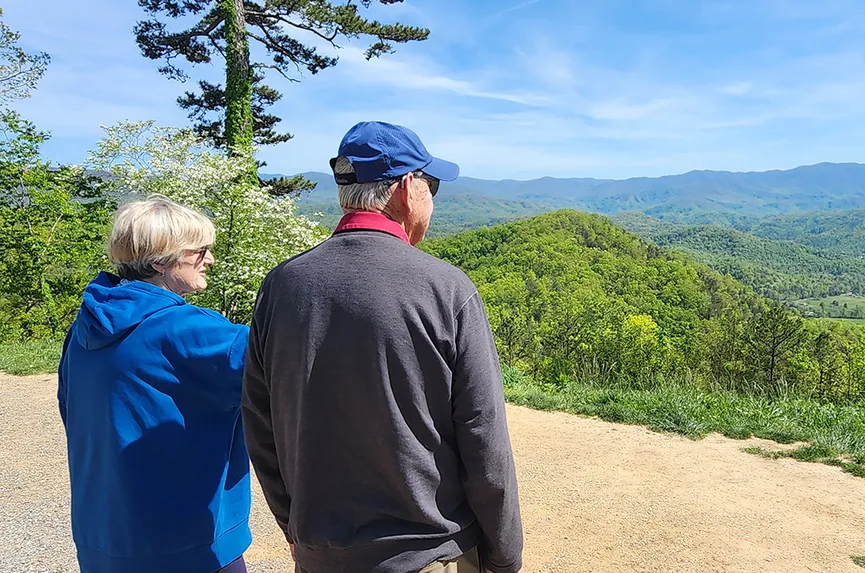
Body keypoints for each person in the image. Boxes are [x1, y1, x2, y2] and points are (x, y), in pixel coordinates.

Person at [243, 121, 524, 573]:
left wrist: (296, 528)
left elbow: (261, 425)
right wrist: (504, 555)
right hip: (430, 554)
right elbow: (484, 437)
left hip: (320, 557)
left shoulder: (280, 287)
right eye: (431, 185)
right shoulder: (445, 289)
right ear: (408, 188)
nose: (430, 198)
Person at [57, 197, 252, 573]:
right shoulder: (189, 330)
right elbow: (286, 376)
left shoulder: (84, 328)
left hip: (104, 537)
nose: (209, 259)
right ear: (162, 261)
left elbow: (73, 412)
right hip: (188, 542)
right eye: (200, 251)